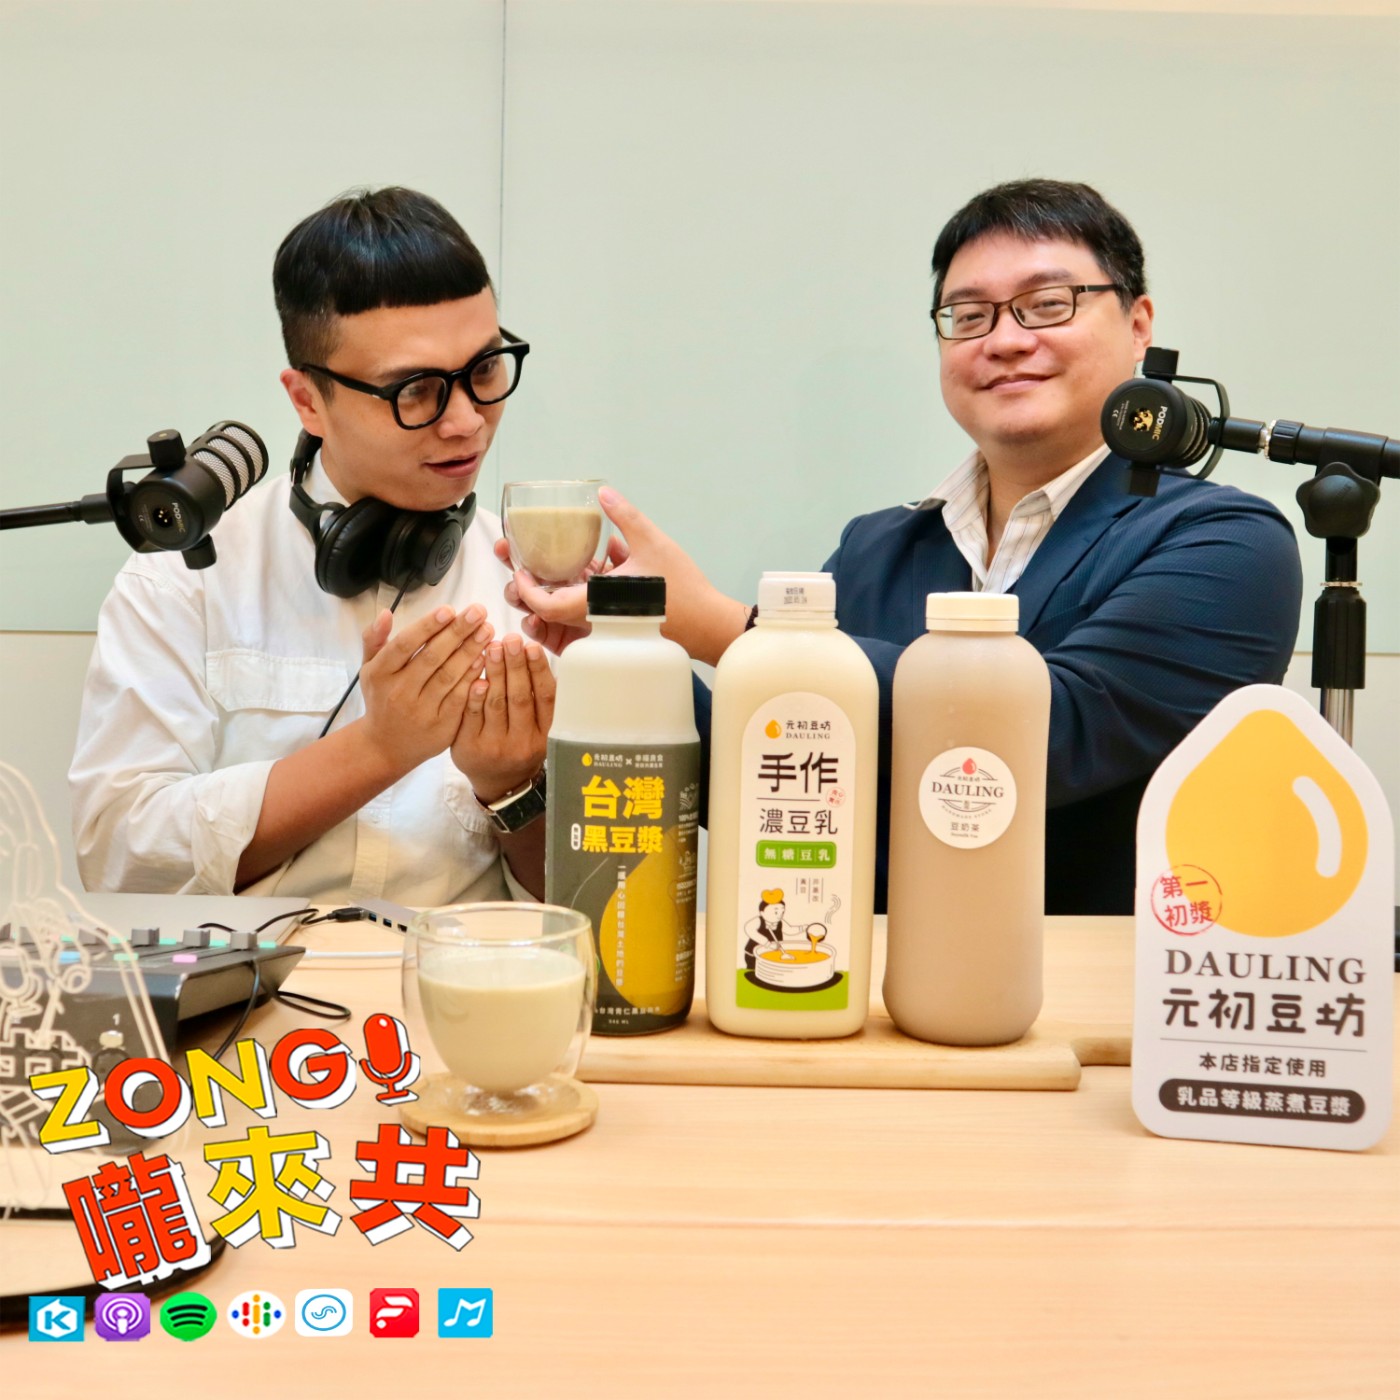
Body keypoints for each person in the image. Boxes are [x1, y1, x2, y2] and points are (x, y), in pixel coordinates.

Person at [502, 178, 1303, 914]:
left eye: (1047, 304)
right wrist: (625, 651)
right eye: (969, 316)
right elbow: (780, 771)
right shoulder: (877, 547)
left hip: (1098, 992)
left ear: (1138, 326)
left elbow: (1053, 736)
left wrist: (720, 626)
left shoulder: (1225, 543)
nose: (1005, 339)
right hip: (869, 987)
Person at [71, 187, 553, 902]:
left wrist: (512, 788)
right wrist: (377, 750)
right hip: (246, 977)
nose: (465, 422)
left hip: (455, 973)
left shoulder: (541, 596)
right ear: (307, 401)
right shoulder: (185, 578)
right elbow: (120, 857)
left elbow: (598, 911)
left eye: (484, 371)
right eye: (415, 389)